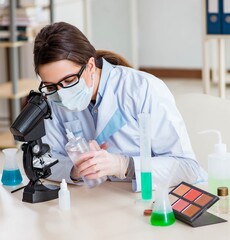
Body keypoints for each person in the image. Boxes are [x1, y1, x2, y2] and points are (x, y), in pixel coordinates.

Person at [33, 21, 206, 191]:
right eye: (51, 86)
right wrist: (73, 170)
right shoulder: (54, 99)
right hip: (100, 200)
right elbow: (43, 159)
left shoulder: (142, 88)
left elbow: (187, 167)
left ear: (90, 66)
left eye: (69, 80)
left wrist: (124, 165)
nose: (61, 93)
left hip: (158, 200)